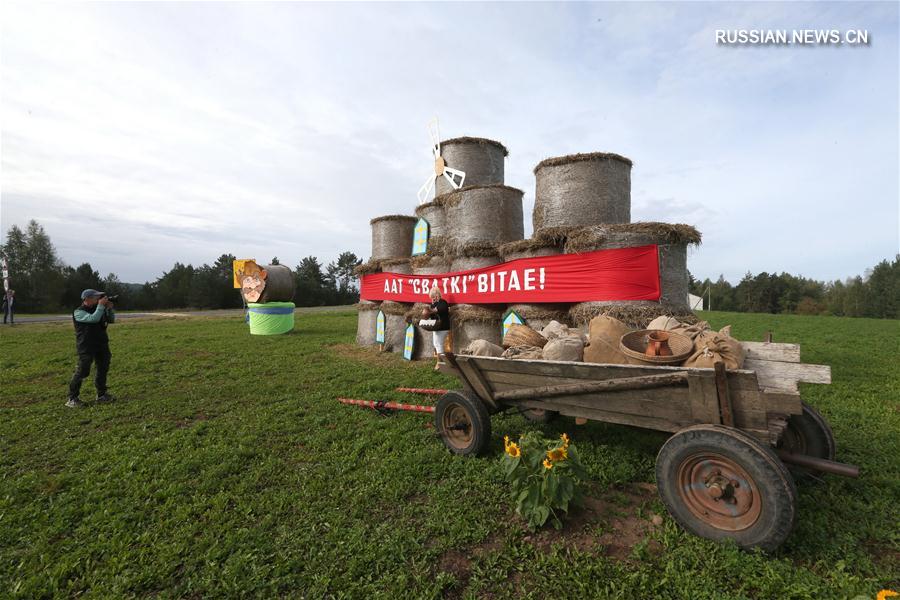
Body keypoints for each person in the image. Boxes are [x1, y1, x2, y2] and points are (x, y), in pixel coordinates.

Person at [66, 289, 117, 408]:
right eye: (96, 297)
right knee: (83, 371)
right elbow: (93, 319)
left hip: (101, 343)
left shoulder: (99, 309)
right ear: (87, 299)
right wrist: (100, 306)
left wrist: (109, 309)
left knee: (102, 368)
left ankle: (102, 395)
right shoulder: (78, 312)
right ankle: (72, 398)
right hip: (86, 345)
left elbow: (111, 320)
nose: (99, 299)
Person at [427, 285, 451, 370]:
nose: (432, 299)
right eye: (431, 297)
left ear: (437, 295)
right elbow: (432, 316)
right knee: (436, 344)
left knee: (438, 344)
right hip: (437, 327)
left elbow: (440, 310)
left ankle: (439, 363)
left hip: (443, 327)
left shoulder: (443, 302)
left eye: (433, 297)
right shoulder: (433, 304)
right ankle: (442, 361)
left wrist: (430, 310)